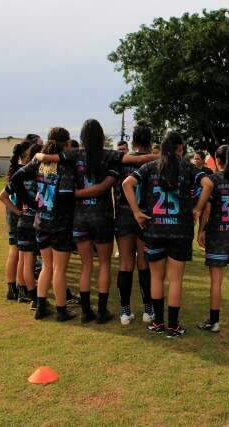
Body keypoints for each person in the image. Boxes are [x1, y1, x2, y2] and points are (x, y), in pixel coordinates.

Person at [37, 119, 156, 324]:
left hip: (80, 218)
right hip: (103, 217)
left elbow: (50, 156)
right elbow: (137, 160)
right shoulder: (109, 154)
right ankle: (102, 311)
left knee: (85, 265)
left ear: (82, 136)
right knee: (104, 263)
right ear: (101, 136)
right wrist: (161, 156)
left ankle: (86, 312)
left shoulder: (74, 154)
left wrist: (40, 154)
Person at [123, 131, 213, 338]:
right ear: (180, 148)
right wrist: (198, 208)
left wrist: (137, 211)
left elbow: (126, 183)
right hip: (180, 230)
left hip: (154, 229)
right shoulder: (188, 167)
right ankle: (172, 326)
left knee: (156, 277)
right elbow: (208, 184)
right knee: (175, 280)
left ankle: (157, 323)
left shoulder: (149, 167)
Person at [9, 127, 77, 321]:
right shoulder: (66, 165)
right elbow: (65, 197)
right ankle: (62, 310)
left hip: (41, 222)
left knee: (47, 266)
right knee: (59, 269)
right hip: (60, 224)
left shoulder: (38, 162)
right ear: (66, 144)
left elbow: (15, 179)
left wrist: (28, 202)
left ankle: (40, 307)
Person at [197, 144, 229, 332]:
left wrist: (201, 230)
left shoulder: (213, 180)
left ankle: (214, 321)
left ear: (217, 161)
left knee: (216, 281)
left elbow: (207, 209)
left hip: (218, 235)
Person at [115, 121, 156, 325]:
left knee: (125, 263)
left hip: (123, 215)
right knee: (144, 263)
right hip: (144, 216)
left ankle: (125, 312)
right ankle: (148, 311)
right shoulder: (156, 162)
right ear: (149, 141)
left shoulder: (121, 160)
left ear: (134, 140)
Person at [0, 142, 43, 308]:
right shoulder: (42, 176)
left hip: (23, 222)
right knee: (42, 262)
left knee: (24, 260)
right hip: (38, 223)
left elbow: (2, 196)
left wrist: (18, 212)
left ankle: (28, 295)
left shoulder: (19, 175)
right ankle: (35, 297)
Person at [0, 140, 30, 301]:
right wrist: (18, 211)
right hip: (17, 214)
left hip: (12, 214)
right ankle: (21, 288)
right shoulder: (23, 171)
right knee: (21, 253)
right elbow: (2, 196)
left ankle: (12, 288)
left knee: (15, 252)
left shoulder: (14, 170)